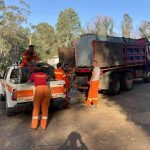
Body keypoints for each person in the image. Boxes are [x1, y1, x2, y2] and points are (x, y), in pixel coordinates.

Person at [27, 63, 50, 130]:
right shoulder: (44, 74)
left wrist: (25, 83)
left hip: (39, 90)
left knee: (36, 107)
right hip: (46, 89)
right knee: (45, 108)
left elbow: (29, 81)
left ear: (34, 69)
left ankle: (34, 126)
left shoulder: (33, 75)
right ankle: (43, 126)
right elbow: (48, 78)